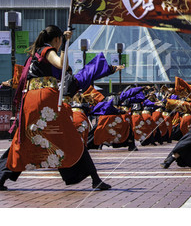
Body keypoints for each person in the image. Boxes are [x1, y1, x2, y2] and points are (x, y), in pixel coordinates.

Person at [0, 25, 110, 191]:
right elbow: (61, 64)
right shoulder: (47, 50)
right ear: (57, 39)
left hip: (31, 99)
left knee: (24, 139)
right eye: (60, 42)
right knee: (70, 137)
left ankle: (1, 177)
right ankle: (95, 179)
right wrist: (67, 44)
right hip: (45, 99)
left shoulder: (34, 54)